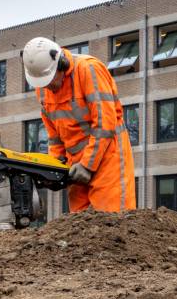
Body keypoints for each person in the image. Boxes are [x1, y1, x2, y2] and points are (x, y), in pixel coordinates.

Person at [21, 37, 136, 213]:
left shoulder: (89, 69)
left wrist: (88, 165)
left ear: (62, 64)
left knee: (111, 220)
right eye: (44, 82)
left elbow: (105, 123)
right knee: (80, 226)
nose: (49, 86)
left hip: (108, 156)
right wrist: (54, 169)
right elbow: (54, 137)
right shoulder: (43, 87)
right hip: (75, 163)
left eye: (51, 80)